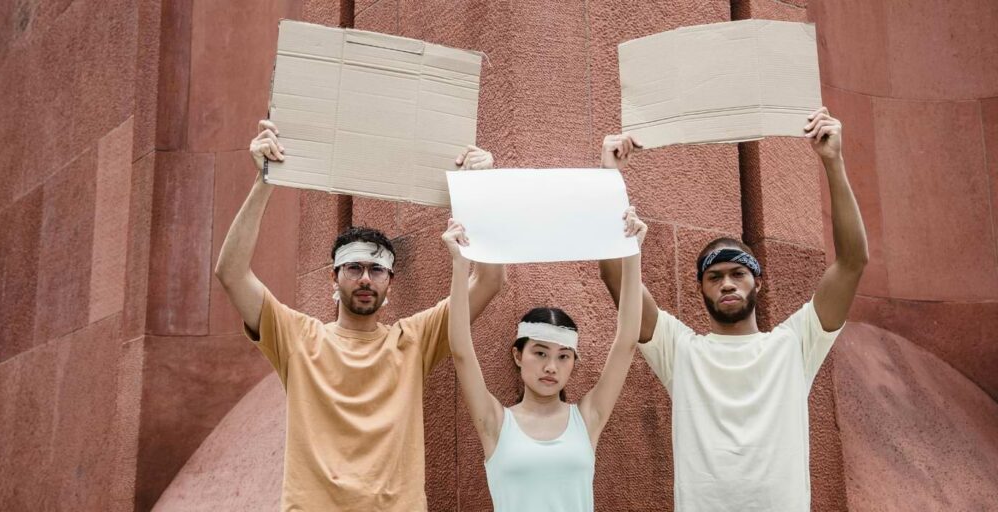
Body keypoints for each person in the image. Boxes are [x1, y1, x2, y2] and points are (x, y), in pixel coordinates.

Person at [214, 120, 506, 511]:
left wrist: (480, 193)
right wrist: (264, 181)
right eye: (353, 268)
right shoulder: (298, 337)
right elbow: (230, 273)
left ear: (390, 283)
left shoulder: (413, 339)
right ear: (333, 280)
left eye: (377, 270)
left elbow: (488, 281)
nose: (365, 278)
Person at [597, 107, 868, 511]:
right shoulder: (682, 351)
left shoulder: (793, 345)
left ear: (758, 282)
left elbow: (852, 263)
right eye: (715, 276)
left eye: (738, 273)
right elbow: (616, 279)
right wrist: (609, 178)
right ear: (701, 289)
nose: (727, 282)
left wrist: (833, 161)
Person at [443, 200, 647, 512]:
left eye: (564, 357)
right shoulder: (496, 422)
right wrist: (460, 265)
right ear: (518, 354)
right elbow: (460, 350)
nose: (551, 367)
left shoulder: (588, 418)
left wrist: (632, 254)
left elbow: (627, 341)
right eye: (540, 353)